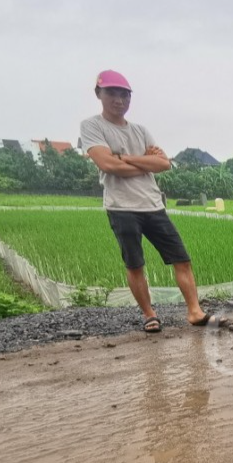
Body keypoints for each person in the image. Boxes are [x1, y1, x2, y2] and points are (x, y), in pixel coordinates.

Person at [80, 70, 216, 333]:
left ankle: (194, 310)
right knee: (135, 263)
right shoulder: (92, 126)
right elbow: (107, 164)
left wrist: (125, 158)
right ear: (99, 94)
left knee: (181, 259)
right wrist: (142, 162)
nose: (119, 100)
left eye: (124, 94)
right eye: (112, 93)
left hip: (153, 205)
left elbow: (164, 163)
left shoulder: (140, 130)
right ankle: (148, 313)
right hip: (121, 207)